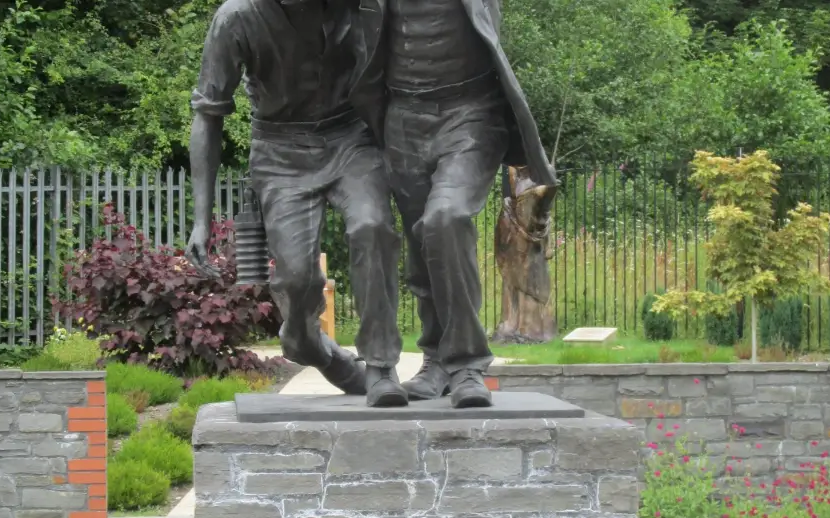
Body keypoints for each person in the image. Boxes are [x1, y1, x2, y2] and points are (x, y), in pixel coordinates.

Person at [186, 0, 408, 407]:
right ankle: (313, 348)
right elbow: (207, 115)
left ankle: (380, 366)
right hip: (279, 150)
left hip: (350, 138)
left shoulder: (358, 6)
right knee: (297, 280)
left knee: (372, 226)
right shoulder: (236, 18)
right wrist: (201, 220)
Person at [351, 0, 558, 408]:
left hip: (471, 112)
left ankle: (466, 364)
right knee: (422, 241)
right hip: (403, 117)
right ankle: (436, 360)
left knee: (446, 218)